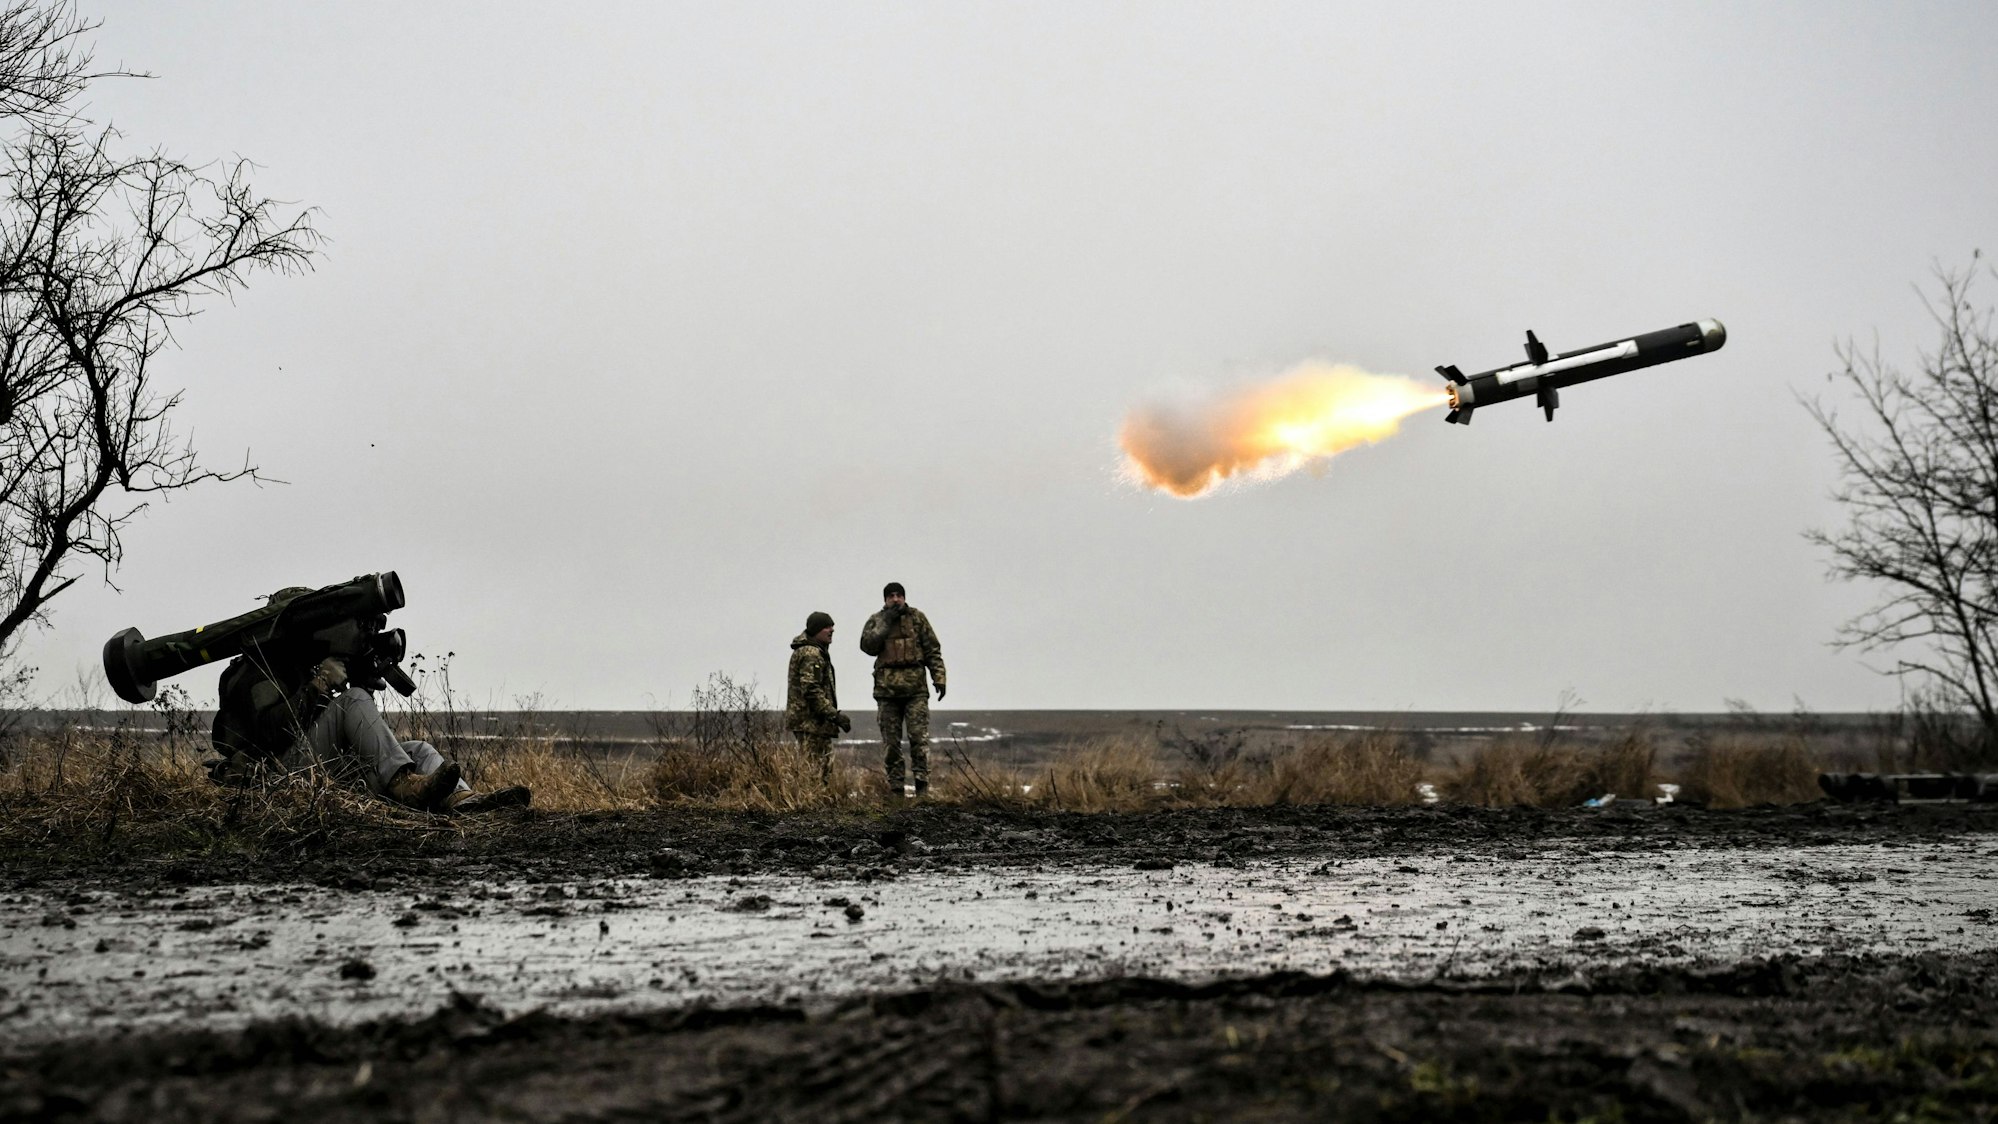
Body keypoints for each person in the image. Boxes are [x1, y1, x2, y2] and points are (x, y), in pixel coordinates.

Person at [210, 639, 529, 814]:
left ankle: (464, 802)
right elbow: (270, 734)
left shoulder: (297, 666)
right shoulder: (259, 671)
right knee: (353, 699)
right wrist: (320, 684)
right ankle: (404, 785)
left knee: (420, 751)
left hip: (316, 769)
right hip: (277, 774)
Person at [858, 581, 946, 796]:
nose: (895, 599)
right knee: (891, 743)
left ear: (904, 597)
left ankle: (922, 788)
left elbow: (932, 650)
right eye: (891, 596)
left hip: (915, 691)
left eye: (899, 595)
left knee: (919, 740)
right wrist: (886, 623)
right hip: (887, 692)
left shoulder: (917, 618)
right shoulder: (876, 620)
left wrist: (939, 678)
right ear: (885, 599)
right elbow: (867, 646)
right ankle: (896, 789)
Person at [784, 610, 850, 784]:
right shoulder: (811, 654)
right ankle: (810, 799)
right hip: (810, 723)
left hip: (814, 723)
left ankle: (815, 798)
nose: (832, 630)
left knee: (821, 767)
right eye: (827, 627)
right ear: (816, 630)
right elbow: (811, 690)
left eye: (832, 626)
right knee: (815, 770)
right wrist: (834, 715)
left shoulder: (814, 652)